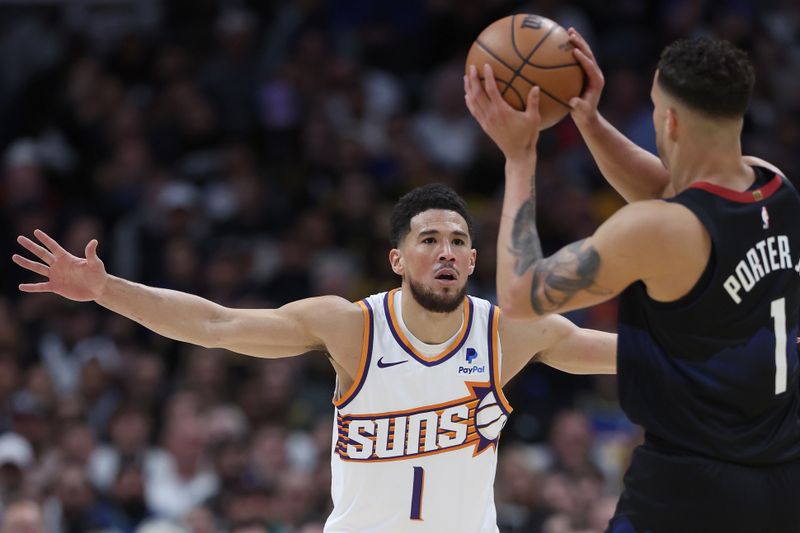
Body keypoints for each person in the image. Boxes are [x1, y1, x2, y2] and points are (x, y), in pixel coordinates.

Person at [13, 183, 616, 533]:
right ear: (397, 260)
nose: (446, 251)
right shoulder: (351, 326)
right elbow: (216, 324)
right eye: (428, 240)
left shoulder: (508, 333)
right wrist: (105, 289)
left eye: (458, 240)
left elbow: (632, 356)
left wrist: (708, 335)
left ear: (473, 260)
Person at [465, 32, 800, 533]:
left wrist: (520, 158)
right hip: (781, 474)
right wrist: (588, 120)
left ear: (668, 120)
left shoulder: (659, 230)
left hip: (690, 485)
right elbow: (668, 189)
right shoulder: (772, 187)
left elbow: (517, 297)